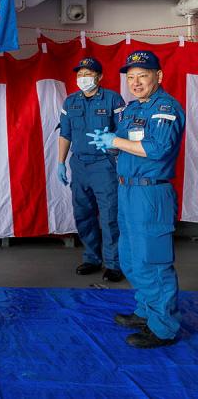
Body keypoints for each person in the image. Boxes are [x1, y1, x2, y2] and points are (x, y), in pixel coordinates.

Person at [88, 50, 185, 348]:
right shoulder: (132, 109)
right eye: (130, 77)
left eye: (143, 75)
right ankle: (146, 312)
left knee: (152, 260)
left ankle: (164, 328)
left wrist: (115, 141)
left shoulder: (165, 107)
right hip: (127, 189)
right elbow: (126, 145)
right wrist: (112, 145)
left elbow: (157, 149)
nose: (136, 82)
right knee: (130, 257)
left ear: (159, 76)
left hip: (150, 193)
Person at [58, 57, 126, 282]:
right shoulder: (70, 102)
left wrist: (115, 150)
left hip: (104, 165)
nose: (83, 78)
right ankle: (91, 258)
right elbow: (65, 134)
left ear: (99, 77)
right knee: (83, 214)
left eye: (88, 74)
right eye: (80, 74)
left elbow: (123, 134)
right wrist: (60, 163)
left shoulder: (113, 99)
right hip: (79, 165)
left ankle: (114, 263)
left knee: (109, 216)